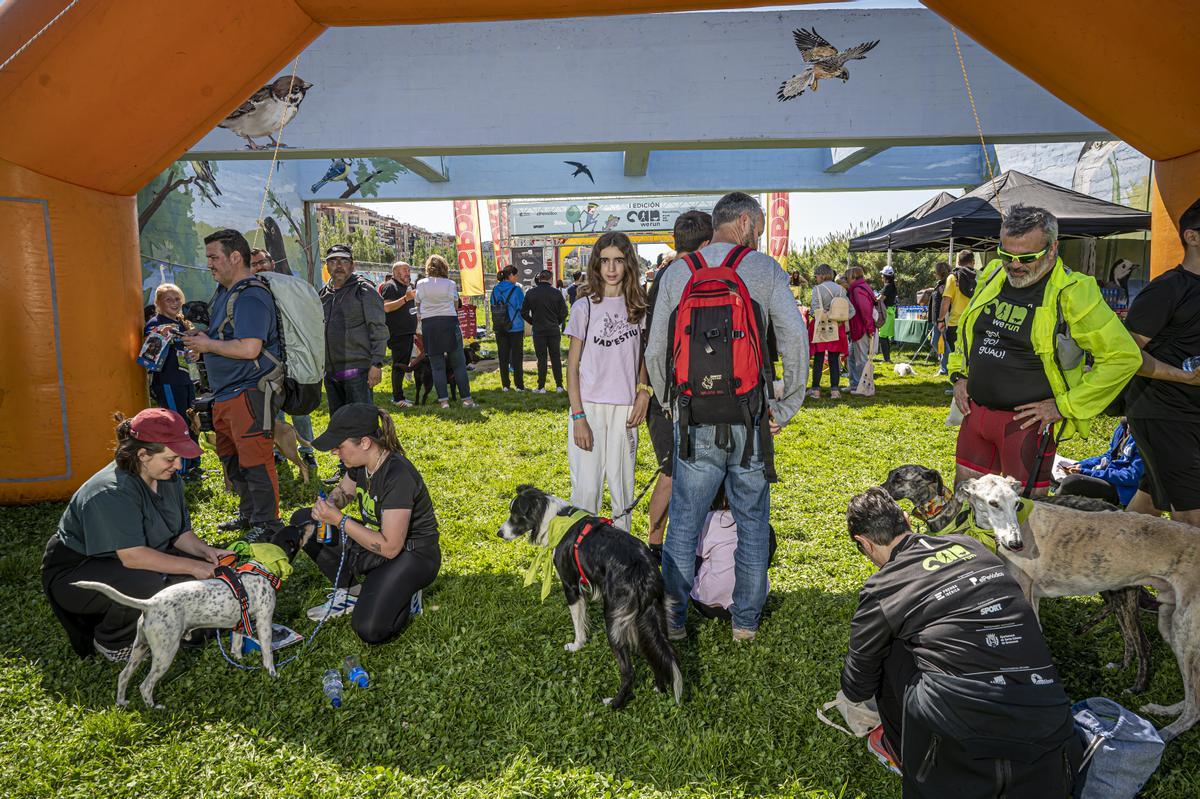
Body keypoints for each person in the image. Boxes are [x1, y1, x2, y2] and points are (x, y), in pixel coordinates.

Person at [842, 488, 1080, 797]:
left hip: (961, 739)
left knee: (887, 649)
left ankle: (902, 752)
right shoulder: (971, 546)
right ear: (905, 519)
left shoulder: (883, 588)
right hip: (1050, 724)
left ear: (864, 543)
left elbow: (857, 687)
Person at [647, 192, 808, 641]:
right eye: (756, 228)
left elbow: (656, 348)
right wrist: (787, 404)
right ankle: (745, 624)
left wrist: (669, 401)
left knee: (683, 521)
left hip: (694, 418)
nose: (758, 236)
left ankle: (674, 622)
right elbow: (795, 339)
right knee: (752, 519)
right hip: (751, 418)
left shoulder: (678, 272)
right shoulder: (762, 269)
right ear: (742, 222)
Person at [948, 205, 1141, 494]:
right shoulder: (992, 275)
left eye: (1027, 257)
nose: (1014, 265)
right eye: (1006, 254)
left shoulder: (1075, 293)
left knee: (1022, 523)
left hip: (1026, 427)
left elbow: (1123, 358)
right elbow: (970, 331)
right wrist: (959, 375)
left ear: (1052, 249)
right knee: (964, 507)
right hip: (975, 415)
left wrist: (1064, 406)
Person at [41, 409, 229, 661]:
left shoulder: (168, 478)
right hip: (79, 571)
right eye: (171, 458)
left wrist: (207, 553)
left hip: (131, 559)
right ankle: (113, 641)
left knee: (199, 574)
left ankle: (167, 625)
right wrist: (193, 566)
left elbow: (180, 534)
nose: (179, 465)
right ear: (142, 455)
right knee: (147, 585)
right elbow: (133, 557)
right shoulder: (110, 492)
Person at [275, 404, 440, 644]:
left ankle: (405, 591)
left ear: (365, 442)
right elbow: (344, 492)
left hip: (411, 554)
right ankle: (352, 593)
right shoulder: (360, 465)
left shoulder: (397, 475)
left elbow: (391, 547)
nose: (334, 452)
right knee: (305, 520)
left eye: (339, 446)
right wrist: (330, 503)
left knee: (370, 629)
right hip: (377, 542)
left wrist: (339, 520)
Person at [183, 229, 284, 537]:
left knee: (255, 460)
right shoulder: (226, 293)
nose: (210, 264)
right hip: (227, 393)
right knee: (232, 459)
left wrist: (207, 346)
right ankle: (250, 515)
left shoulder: (250, 294)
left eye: (214, 257)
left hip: (250, 391)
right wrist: (205, 340)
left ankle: (268, 525)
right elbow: (228, 338)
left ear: (235, 257)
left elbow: (250, 348)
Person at [1122, 196, 1200, 526]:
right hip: (1163, 412)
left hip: (1191, 413)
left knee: (1149, 503)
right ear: (1192, 236)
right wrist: (1183, 377)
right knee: (1192, 517)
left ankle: (1109, 569)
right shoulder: (1168, 288)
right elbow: (1126, 355)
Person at [565, 231, 650, 532]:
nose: (612, 268)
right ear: (596, 265)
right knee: (586, 492)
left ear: (629, 264)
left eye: (618, 260)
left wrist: (644, 390)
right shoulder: (584, 307)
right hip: (588, 408)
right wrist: (578, 417)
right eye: (605, 261)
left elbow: (641, 357)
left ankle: (620, 563)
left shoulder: (638, 307)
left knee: (623, 492)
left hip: (625, 411)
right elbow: (572, 367)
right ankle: (582, 559)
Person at [644, 211, 713, 561]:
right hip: (672, 394)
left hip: (671, 392)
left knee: (680, 472)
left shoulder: (667, 275)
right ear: (706, 243)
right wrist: (661, 394)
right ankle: (654, 545)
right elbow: (656, 346)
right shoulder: (684, 276)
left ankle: (664, 543)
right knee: (672, 473)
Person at [249, 248, 318, 475]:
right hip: (265, 363)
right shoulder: (250, 294)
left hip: (292, 358)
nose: (259, 267)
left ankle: (307, 450)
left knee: (298, 407)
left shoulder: (290, 288)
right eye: (254, 264)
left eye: (262, 262)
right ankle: (278, 451)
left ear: (273, 263)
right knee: (272, 409)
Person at [319, 244, 388, 416]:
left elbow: (378, 328)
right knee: (339, 423)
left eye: (344, 261)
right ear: (327, 266)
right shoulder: (323, 295)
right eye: (333, 261)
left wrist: (377, 364)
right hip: (331, 372)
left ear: (352, 265)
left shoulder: (364, 290)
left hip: (358, 372)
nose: (339, 266)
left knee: (363, 423)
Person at [689, 485, 777, 620]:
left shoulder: (708, 520)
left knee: (691, 559)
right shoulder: (763, 526)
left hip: (708, 605)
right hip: (752, 606)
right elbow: (765, 563)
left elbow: (694, 560)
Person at [143, 283, 202, 479]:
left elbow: (193, 348)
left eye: (177, 299)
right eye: (169, 299)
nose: (174, 303)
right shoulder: (154, 323)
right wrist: (162, 333)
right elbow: (150, 352)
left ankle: (194, 464)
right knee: (178, 423)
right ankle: (181, 470)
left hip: (187, 379)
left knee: (193, 421)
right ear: (158, 303)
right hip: (168, 381)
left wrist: (195, 353)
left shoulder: (183, 323)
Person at [415, 255, 476, 409]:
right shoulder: (450, 284)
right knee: (459, 364)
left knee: (437, 366)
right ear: (445, 267)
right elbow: (456, 305)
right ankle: (467, 400)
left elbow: (417, 304)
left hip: (430, 325)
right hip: (449, 323)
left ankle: (444, 401)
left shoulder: (421, 284)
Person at [1057, 418, 1143, 507]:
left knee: (1071, 482)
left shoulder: (1143, 437)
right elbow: (1110, 455)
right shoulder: (1123, 425)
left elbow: (1132, 477)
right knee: (1060, 474)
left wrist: (1086, 472)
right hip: (1107, 475)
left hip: (1121, 489)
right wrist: (1081, 465)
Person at [521, 268, 569, 393]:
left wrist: (533, 322)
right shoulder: (556, 293)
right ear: (550, 279)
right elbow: (564, 312)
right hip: (553, 329)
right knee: (555, 357)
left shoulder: (531, 293)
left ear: (539, 278)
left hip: (538, 330)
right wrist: (556, 322)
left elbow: (523, 312)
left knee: (541, 358)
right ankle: (559, 386)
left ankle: (541, 386)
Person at [807, 263, 850, 400]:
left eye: (817, 275)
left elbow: (814, 310)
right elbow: (851, 310)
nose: (816, 278)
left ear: (822, 275)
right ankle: (835, 391)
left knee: (819, 359)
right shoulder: (842, 290)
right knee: (834, 359)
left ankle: (815, 390)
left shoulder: (817, 289)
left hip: (821, 325)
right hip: (837, 326)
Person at [380, 260, 419, 408]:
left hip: (407, 332)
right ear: (396, 272)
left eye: (408, 271)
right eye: (404, 271)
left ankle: (399, 396)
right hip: (397, 333)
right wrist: (406, 298)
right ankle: (397, 398)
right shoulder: (390, 286)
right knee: (399, 365)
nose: (407, 274)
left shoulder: (406, 287)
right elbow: (386, 307)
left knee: (402, 365)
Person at [492, 265, 527, 392]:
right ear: (511, 275)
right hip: (515, 326)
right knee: (517, 357)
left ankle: (505, 385)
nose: (517, 278)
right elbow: (522, 306)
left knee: (503, 357)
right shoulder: (517, 290)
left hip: (499, 326)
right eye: (516, 275)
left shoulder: (495, 289)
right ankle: (519, 385)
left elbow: (493, 304)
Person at [939, 249, 976, 361]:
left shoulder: (953, 277)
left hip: (956, 323)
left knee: (958, 356)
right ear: (973, 262)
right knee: (972, 355)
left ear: (958, 262)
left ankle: (960, 377)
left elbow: (946, 301)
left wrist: (940, 320)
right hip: (974, 323)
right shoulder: (979, 277)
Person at [845, 266, 877, 393]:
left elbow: (865, 311)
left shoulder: (858, 290)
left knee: (860, 360)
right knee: (851, 357)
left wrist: (870, 329)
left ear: (853, 277)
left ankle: (863, 387)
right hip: (858, 329)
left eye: (848, 277)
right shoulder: (860, 288)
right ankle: (854, 384)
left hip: (861, 329)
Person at [928, 261, 951, 374]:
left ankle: (945, 367)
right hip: (937, 319)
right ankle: (945, 363)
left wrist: (941, 320)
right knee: (935, 342)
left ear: (940, 272)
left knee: (941, 343)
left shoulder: (946, 285)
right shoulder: (940, 284)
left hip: (942, 320)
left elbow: (945, 303)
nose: (934, 273)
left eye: (935, 271)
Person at [877, 266, 898, 363]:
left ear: (885, 276)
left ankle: (887, 359)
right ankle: (887, 358)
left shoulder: (888, 286)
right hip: (890, 312)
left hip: (887, 312)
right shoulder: (892, 285)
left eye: (882, 275)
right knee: (884, 336)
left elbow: (880, 299)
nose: (881, 276)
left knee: (882, 336)